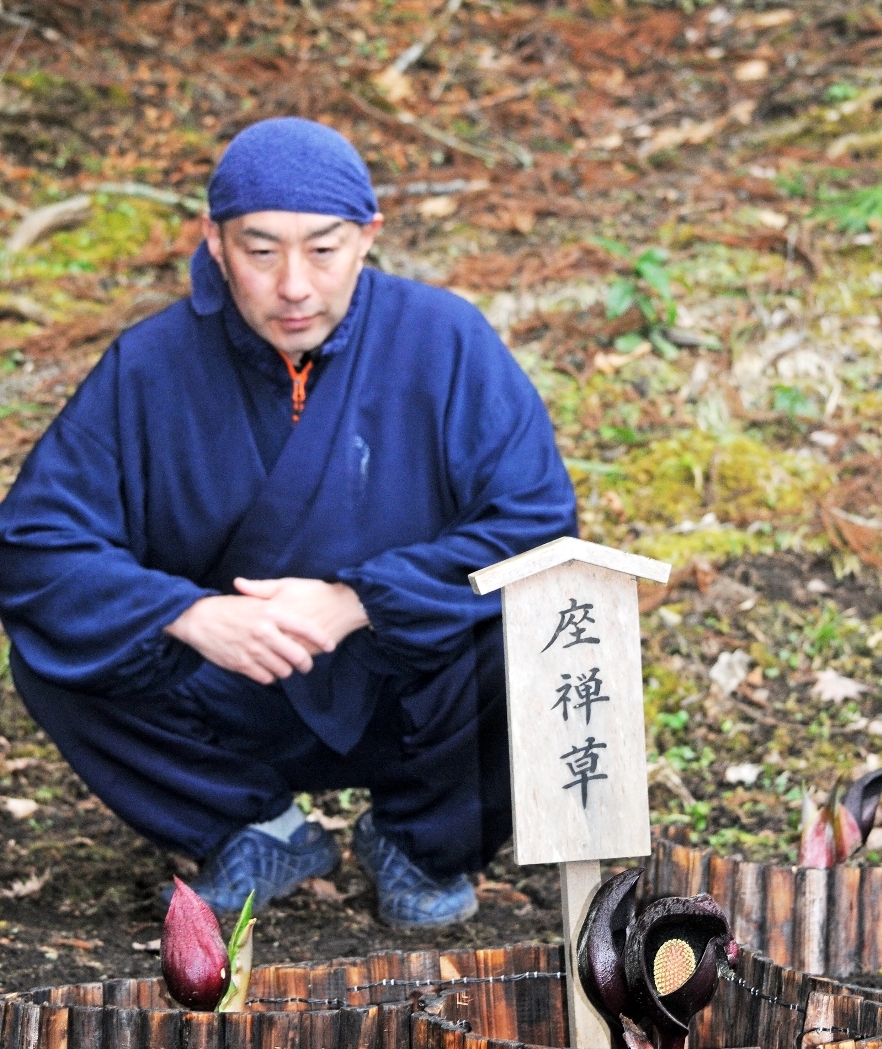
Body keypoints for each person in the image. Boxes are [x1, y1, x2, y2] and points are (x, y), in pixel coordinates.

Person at [0, 118, 577, 927]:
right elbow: (34, 544)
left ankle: (420, 840)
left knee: (535, 625)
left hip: (410, 685)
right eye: (262, 251)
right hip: (233, 687)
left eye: (324, 248)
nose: (295, 286)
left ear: (369, 238)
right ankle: (251, 824)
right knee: (59, 649)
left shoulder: (446, 342)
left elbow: (539, 525)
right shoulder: (150, 366)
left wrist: (359, 601)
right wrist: (190, 613)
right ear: (215, 242)